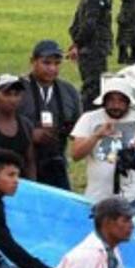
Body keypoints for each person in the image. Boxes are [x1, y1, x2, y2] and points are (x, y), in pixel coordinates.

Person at [69, 77, 135, 212]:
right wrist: (97, 135)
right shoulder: (89, 119)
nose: (116, 106)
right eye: (111, 100)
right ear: (104, 101)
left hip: (131, 197)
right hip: (97, 197)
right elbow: (76, 155)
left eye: (121, 101)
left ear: (129, 102)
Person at [19, 40, 82, 189]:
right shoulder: (17, 88)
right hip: (19, 165)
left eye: (57, 63)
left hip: (56, 163)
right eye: (46, 63)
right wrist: (29, 133)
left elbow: (79, 129)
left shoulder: (69, 91)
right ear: (32, 61)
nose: (52, 68)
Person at [68, 0, 116, 105]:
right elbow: (88, 24)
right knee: (92, 89)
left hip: (94, 48)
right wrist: (77, 44)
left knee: (95, 86)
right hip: (93, 49)